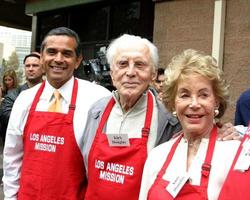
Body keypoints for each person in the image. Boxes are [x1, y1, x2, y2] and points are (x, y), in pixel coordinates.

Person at [82, 35, 237, 200]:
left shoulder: (169, 118)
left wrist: (224, 129)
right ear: (112, 72)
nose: (130, 72)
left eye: (140, 64)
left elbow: (199, 126)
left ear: (153, 74)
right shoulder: (96, 112)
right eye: (122, 64)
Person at [3, 27, 111, 200]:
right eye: (52, 52)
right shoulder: (25, 99)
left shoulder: (98, 99)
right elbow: (12, 157)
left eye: (67, 54)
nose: (58, 59)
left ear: (78, 61)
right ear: (42, 57)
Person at [139, 49, 243, 200]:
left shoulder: (236, 156)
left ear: (217, 102)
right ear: (173, 103)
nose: (194, 104)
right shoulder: (157, 156)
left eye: (203, 95)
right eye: (185, 95)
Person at [0, 52, 44, 145]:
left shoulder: (54, 93)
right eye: (27, 66)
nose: (31, 69)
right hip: (20, 145)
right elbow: (7, 117)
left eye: (35, 65)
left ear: (43, 68)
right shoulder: (13, 95)